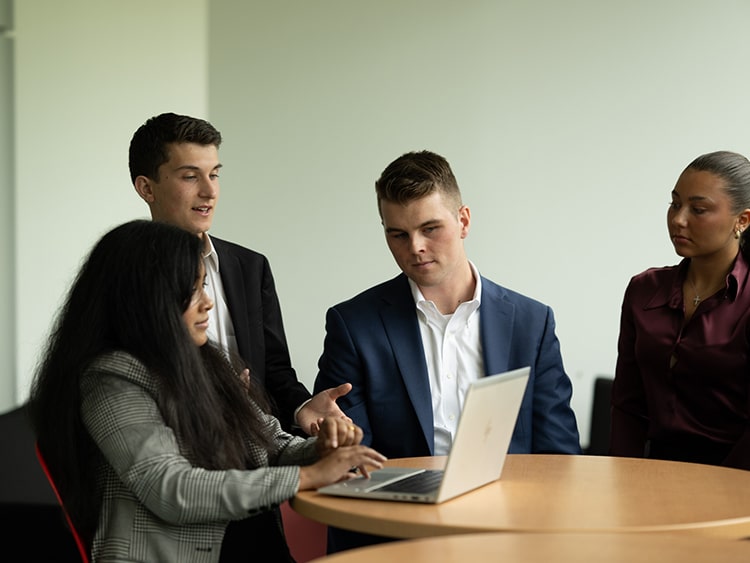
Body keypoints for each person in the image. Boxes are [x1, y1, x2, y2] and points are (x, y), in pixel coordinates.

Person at [28, 220, 385, 562]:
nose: (208, 302)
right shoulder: (111, 379)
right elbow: (170, 489)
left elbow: (271, 445)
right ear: (148, 300)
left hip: (261, 550)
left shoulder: (207, 361)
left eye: (204, 286)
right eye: (192, 290)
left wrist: (320, 449)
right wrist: (308, 476)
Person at [313, 150, 581, 551]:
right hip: (392, 533)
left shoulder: (531, 322)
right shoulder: (353, 324)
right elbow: (350, 455)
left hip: (506, 528)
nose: (415, 247)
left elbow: (558, 455)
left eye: (430, 228)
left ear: (464, 221)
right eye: (397, 234)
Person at [129, 112, 347, 436]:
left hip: (252, 453)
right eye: (191, 177)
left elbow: (273, 371)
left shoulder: (249, 267)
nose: (209, 191)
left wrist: (303, 408)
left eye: (214, 175)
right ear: (147, 188)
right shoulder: (124, 277)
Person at [611, 150, 750, 470]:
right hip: (651, 478)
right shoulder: (644, 290)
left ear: (742, 220)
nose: (678, 219)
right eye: (675, 204)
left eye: (698, 209)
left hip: (735, 484)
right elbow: (627, 405)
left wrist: (717, 496)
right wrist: (620, 480)